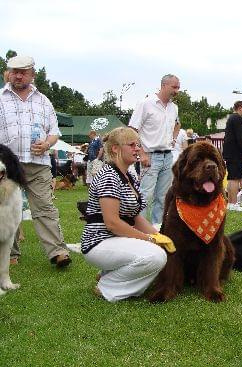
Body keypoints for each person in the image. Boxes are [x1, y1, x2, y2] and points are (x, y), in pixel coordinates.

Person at [80, 127, 169, 302]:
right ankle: (108, 286)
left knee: (161, 248)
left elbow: (135, 217)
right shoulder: (109, 176)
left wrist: (159, 237)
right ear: (115, 149)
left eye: (138, 145)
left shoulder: (129, 175)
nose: (137, 149)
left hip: (114, 240)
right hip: (99, 242)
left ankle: (109, 273)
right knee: (156, 256)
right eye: (132, 145)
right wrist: (149, 239)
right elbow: (112, 223)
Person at [0, 55, 71, 267]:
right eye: (14, 71)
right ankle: (10, 254)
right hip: (6, 164)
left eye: (23, 72)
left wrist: (47, 144)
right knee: (6, 209)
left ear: (32, 74)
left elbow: (54, 132)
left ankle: (58, 252)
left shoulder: (44, 101)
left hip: (38, 163)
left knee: (45, 208)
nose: (18, 75)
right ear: (9, 73)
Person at [129, 74, 181, 226]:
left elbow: (177, 125)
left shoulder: (174, 108)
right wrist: (142, 153)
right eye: (174, 87)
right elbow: (132, 130)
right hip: (150, 156)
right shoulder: (146, 103)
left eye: (178, 87)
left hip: (167, 156)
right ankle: (140, 230)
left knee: (164, 196)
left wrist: (172, 140)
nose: (177, 91)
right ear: (164, 85)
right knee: (145, 195)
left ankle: (158, 229)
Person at [222, 101, 242, 212]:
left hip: (230, 153)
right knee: (235, 178)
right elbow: (241, 137)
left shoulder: (231, 118)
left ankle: (230, 203)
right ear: (239, 108)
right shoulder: (237, 119)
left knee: (231, 178)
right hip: (236, 153)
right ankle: (234, 203)